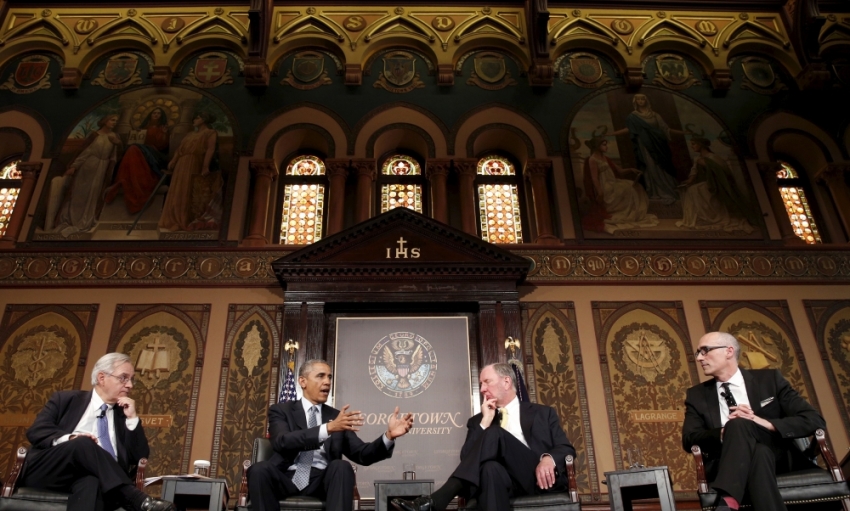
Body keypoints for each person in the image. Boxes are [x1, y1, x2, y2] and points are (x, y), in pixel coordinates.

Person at [392, 363, 575, 511]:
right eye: (481, 384)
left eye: (487, 382)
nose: (482, 389)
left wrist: (547, 459)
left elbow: (566, 448)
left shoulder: (543, 413)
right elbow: (467, 460)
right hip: (499, 482)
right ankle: (436, 502)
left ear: (506, 382)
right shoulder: (477, 421)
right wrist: (485, 422)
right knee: (489, 468)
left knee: (495, 433)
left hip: (537, 477)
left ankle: (438, 499)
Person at [682, 332, 825, 511]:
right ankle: (728, 501)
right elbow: (689, 439)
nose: (699, 358)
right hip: (731, 462)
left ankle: (726, 498)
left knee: (741, 424)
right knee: (757, 451)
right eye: (698, 353)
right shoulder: (697, 395)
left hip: (779, 456)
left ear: (729, 351)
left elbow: (814, 420)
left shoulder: (770, 380)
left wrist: (763, 422)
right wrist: (724, 432)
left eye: (705, 350)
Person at [247, 359, 414, 511]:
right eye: (320, 376)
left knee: (341, 466)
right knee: (259, 469)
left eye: (329, 377)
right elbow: (282, 441)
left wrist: (389, 436)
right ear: (302, 381)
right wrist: (327, 429)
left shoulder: (337, 417)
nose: (327, 382)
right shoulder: (282, 411)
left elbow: (363, 454)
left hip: (322, 481)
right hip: (285, 477)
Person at [20, 353, 175, 511]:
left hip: (100, 481)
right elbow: (36, 431)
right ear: (102, 378)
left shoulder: (123, 415)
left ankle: (129, 495)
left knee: (91, 483)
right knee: (81, 443)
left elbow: (140, 457)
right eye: (123, 378)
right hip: (51, 470)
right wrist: (71, 438)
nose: (130, 385)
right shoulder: (66, 399)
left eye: (131, 379)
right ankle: (135, 498)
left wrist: (132, 419)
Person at [55, 114, 122, 237]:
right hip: (88, 166)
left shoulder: (114, 137)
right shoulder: (95, 135)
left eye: (116, 121)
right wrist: (74, 166)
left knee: (94, 194)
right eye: (112, 120)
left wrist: (118, 144)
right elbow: (85, 152)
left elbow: (115, 156)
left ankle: (87, 220)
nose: (114, 122)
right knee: (80, 193)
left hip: (102, 168)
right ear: (105, 121)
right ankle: (73, 219)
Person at [611, 94, 684, 204]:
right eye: (638, 99)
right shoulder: (633, 117)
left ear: (646, 100)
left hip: (659, 146)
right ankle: (655, 192)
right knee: (651, 167)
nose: (641, 101)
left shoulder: (655, 115)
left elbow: (666, 129)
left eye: (643, 99)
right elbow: (628, 129)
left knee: (664, 166)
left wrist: (684, 133)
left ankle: (669, 190)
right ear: (635, 102)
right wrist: (611, 134)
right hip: (645, 147)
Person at [581, 135, 659, 234]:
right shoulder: (592, 159)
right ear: (597, 146)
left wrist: (631, 169)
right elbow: (594, 178)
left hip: (613, 182)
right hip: (605, 185)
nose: (606, 147)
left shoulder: (605, 157)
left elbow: (620, 171)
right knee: (627, 188)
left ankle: (635, 214)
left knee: (635, 186)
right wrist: (600, 192)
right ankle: (627, 214)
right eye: (604, 145)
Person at [676, 137, 755, 233]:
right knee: (691, 189)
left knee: (695, 189)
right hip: (704, 184)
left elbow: (724, 174)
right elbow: (693, 175)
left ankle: (711, 218)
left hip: (716, 185)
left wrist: (707, 164)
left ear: (701, 145)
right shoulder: (697, 159)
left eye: (694, 144)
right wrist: (686, 182)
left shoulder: (713, 157)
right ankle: (702, 218)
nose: (692, 147)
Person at [158, 111, 217, 232]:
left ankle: (183, 220)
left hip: (194, 162)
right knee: (177, 189)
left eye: (198, 117)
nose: (195, 120)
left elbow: (210, 150)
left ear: (204, 119)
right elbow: (179, 149)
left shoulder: (210, 133)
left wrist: (205, 167)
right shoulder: (190, 134)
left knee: (187, 189)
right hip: (182, 163)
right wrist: (174, 160)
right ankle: (172, 220)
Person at [104, 107, 170, 214]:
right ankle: (126, 178)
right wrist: (137, 134)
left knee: (133, 149)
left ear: (161, 116)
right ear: (150, 114)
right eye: (154, 113)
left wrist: (164, 133)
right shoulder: (143, 128)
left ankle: (128, 179)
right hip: (139, 150)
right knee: (132, 149)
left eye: (159, 113)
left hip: (154, 154)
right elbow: (134, 141)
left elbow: (162, 146)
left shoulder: (162, 128)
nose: (156, 115)